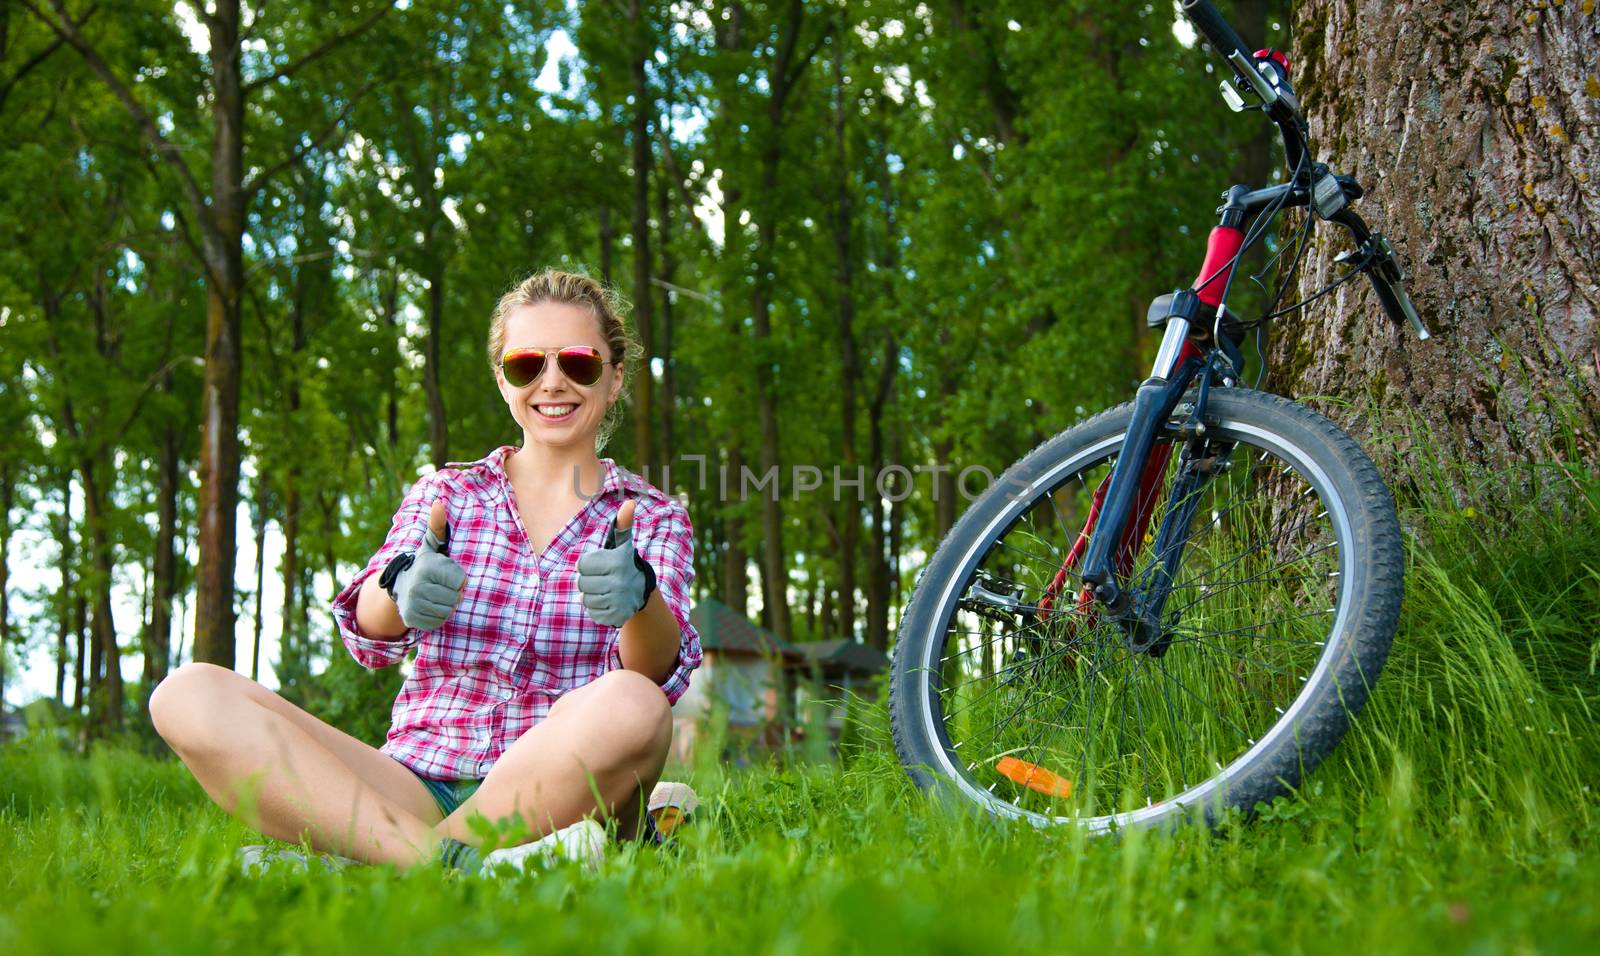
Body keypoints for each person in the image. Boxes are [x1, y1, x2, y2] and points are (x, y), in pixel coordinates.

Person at [151, 269, 703, 875]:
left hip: (566, 790)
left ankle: (376, 862)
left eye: (578, 362)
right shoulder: (449, 493)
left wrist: (639, 597)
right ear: (502, 380)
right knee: (188, 694)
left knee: (636, 705)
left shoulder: (653, 514)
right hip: (415, 781)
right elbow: (370, 631)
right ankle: (454, 864)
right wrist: (399, 590)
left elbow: (655, 671)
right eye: (527, 365)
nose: (553, 383)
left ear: (615, 375)